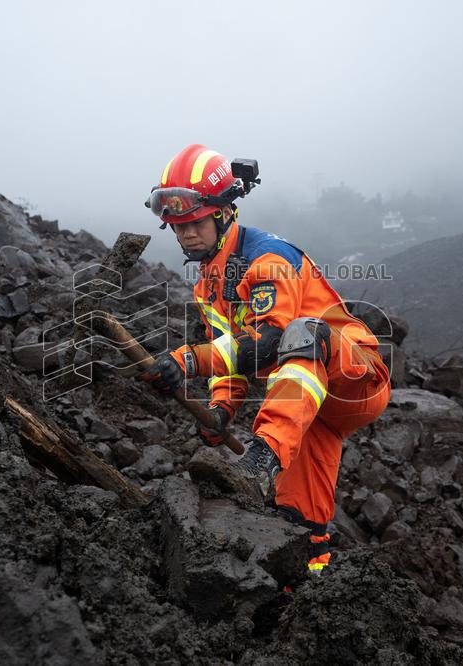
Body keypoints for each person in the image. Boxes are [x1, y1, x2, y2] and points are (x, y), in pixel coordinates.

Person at [141, 144, 391, 575]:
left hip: (354, 376)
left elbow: (270, 342)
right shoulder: (208, 285)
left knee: (301, 334)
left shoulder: (267, 257)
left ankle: (261, 460)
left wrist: (187, 360)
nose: (185, 235)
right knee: (296, 523)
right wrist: (220, 410)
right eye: (176, 227)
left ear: (223, 213)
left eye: (194, 223)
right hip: (308, 411)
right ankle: (309, 588)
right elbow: (232, 350)